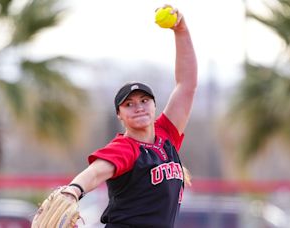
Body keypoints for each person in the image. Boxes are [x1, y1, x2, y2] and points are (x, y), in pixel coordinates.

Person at [60, 6, 197, 228]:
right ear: (120, 115)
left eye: (144, 101)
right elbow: (95, 173)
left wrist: (181, 30)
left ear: (154, 105)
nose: (139, 107)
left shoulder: (167, 133)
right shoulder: (126, 148)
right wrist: (74, 190)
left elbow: (187, 84)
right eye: (129, 104)